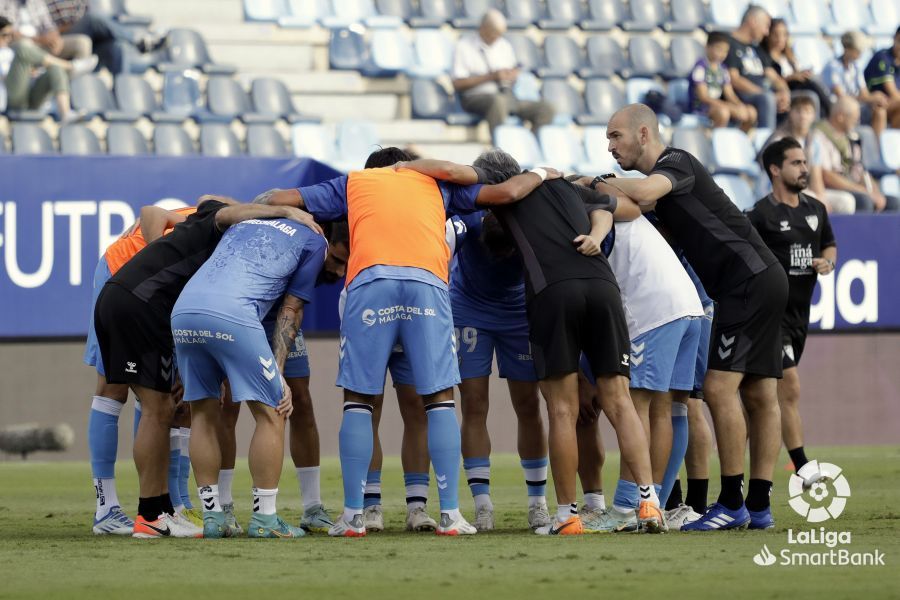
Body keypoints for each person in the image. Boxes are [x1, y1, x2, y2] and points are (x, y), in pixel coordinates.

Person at [255, 147, 555, 537]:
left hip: (370, 285)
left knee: (361, 402)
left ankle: (354, 516)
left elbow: (277, 197)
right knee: (439, 400)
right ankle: (450, 514)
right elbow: (507, 193)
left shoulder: (354, 182)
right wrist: (544, 172)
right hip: (426, 284)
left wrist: (285, 212)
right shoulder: (434, 182)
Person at [404, 150, 668, 536]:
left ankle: (566, 516)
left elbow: (452, 171)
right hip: (602, 287)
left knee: (560, 410)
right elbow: (617, 207)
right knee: (620, 400)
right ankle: (649, 505)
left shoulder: (505, 194)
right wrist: (595, 231)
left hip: (552, 294)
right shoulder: (567, 185)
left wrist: (406, 165)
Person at [600, 103, 788, 531]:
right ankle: (758, 506)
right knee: (759, 395)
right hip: (761, 278)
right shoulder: (663, 185)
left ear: (644, 134)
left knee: (720, 390)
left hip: (745, 283)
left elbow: (643, 194)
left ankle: (732, 502)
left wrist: (594, 182)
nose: (610, 146)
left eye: (615, 136)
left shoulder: (676, 162)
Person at [93, 196, 319, 538]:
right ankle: (152, 515)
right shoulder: (216, 220)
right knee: (156, 411)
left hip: (130, 297)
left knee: (166, 406)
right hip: (141, 301)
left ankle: (164, 509)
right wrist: (284, 210)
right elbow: (177, 211)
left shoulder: (217, 246)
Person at [172, 215, 347, 539]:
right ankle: (265, 519)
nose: (338, 272)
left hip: (185, 311)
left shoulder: (246, 221)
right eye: (337, 260)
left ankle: (212, 518)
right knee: (273, 410)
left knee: (203, 415)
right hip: (237, 315)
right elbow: (291, 309)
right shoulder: (314, 242)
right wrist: (277, 375)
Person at [573, 202, 704, 533]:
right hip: (689, 307)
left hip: (654, 312)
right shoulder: (625, 214)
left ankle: (624, 508)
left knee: (636, 407)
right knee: (668, 409)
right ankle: (652, 505)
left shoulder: (591, 217)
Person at [84, 203, 193, 535]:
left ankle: (170, 505)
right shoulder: (214, 224)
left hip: (158, 296)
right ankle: (106, 508)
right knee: (113, 388)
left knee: (161, 395)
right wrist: (153, 260)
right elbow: (150, 212)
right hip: (120, 274)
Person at [451, 209, 550, 532]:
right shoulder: (468, 215)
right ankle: (483, 505)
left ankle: (538, 503)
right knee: (474, 405)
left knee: (528, 404)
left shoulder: (532, 221)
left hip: (519, 313)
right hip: (469, 309)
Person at [748, 137, 837, 486]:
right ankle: (803, 468)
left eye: (805, 162)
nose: (804, 168)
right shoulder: (760, 215)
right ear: (775, 169)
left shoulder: (816, 210)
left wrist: (827, 261)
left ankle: (746, 476)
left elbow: (829, 243)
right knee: (790, 386)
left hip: (801, 315)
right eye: (796, 163)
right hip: (771, 317)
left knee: (765, 398)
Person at [451, 9, 554, 133]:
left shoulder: (504, 45)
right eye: (493, 33)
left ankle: (530, 146)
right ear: (483, 28)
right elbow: (457, 84)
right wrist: (491, 77)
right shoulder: (463, 46)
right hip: (476, 98)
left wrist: (512, 76)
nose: (496, 37)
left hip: (507, 95)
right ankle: (500, 149)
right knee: (497, 102)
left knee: (545, 109)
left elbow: (511, 72)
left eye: (499, 34)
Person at [763, 95, 856, 214]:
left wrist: (822, 198)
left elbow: (816, 177)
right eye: (798, 111)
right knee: (811, 199)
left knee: (846, 201)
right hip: (777, 190)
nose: (803, 116)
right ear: (791, 114)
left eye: (807, 112)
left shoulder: (814, 141)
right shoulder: (779, 139)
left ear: (813, 116)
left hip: (804, 190)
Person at [808, 96, 899, 213]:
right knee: (865, 201)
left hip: (853, 186)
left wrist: (875, 193)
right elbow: (826, 175)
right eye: (854, 118)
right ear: (840, 117)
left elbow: (860, 171)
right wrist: (863, 191)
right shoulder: (819, 136)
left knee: (892, 202)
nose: (857, 122)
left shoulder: (851, 137)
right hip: (833, 189)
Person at [0, 15, 96, 122]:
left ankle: (66, 113)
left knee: (55, 68)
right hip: (10, 100)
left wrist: (29, 72)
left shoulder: (10, 50)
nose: (8, 39)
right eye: (5, 35)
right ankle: (70, 66)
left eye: (10, 35)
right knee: (23, 46)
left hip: (28, 96)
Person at [45, 0, 164, 74]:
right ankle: (137, 39)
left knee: (118, 47)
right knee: (92, 19)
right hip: (62, 37)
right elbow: (43, 27)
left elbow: (84, 11)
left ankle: (122, 94)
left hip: (90, 36)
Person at [726, 5, 788, 129]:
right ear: (753, 21)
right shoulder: (729, 44)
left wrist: (784, 92)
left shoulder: (757, 49)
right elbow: (734, 79)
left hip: (765, 93)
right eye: (766, 26)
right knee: (768, 99)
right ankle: (767, 144)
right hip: (745, 95)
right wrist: (764, 93)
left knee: (805, 100)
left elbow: (774, 77)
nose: (766, 32)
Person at [759, 18, 830, 117]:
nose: (780, 39)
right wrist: (791, 77)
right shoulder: (764, 58)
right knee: (811, 88)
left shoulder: (789, 57)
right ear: (768, 35)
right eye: (775, 34)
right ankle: (831, 111)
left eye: (784, 35)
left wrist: (802, 74)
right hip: (786, 92)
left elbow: (797, 73)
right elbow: (773, 82)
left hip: (799, 88)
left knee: (812, 86)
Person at [822, 31, 889, 137]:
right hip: (838, 110)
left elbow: (864, 93)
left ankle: (876, 148)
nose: (860, 53)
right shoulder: (832, 67)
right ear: (847, 48)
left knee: (879, 111)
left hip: (855, 106)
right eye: (857, 50)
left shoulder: (856, 67)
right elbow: (842, 99)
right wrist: (872, 97)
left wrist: (874, 98)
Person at [688, 31, 757, 131]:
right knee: (723, 112)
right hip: (701, 108)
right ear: (707, 47)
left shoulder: (723, 69)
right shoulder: (700, 68)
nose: (722, 54)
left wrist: (740, 106)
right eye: (719, 49)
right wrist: (728, 106)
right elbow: (704, 97)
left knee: (751, 112)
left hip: (717, 105)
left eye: (725, 51)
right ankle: (716, 140)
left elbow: (729, 94)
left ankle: (740, 137)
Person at [864, 26, 900, 129]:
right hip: (871, 105)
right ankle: (878, 144)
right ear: (894, 38)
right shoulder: (882, 57)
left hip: (892, 106)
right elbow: (893, 94)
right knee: (881, 111)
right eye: (899, 41)